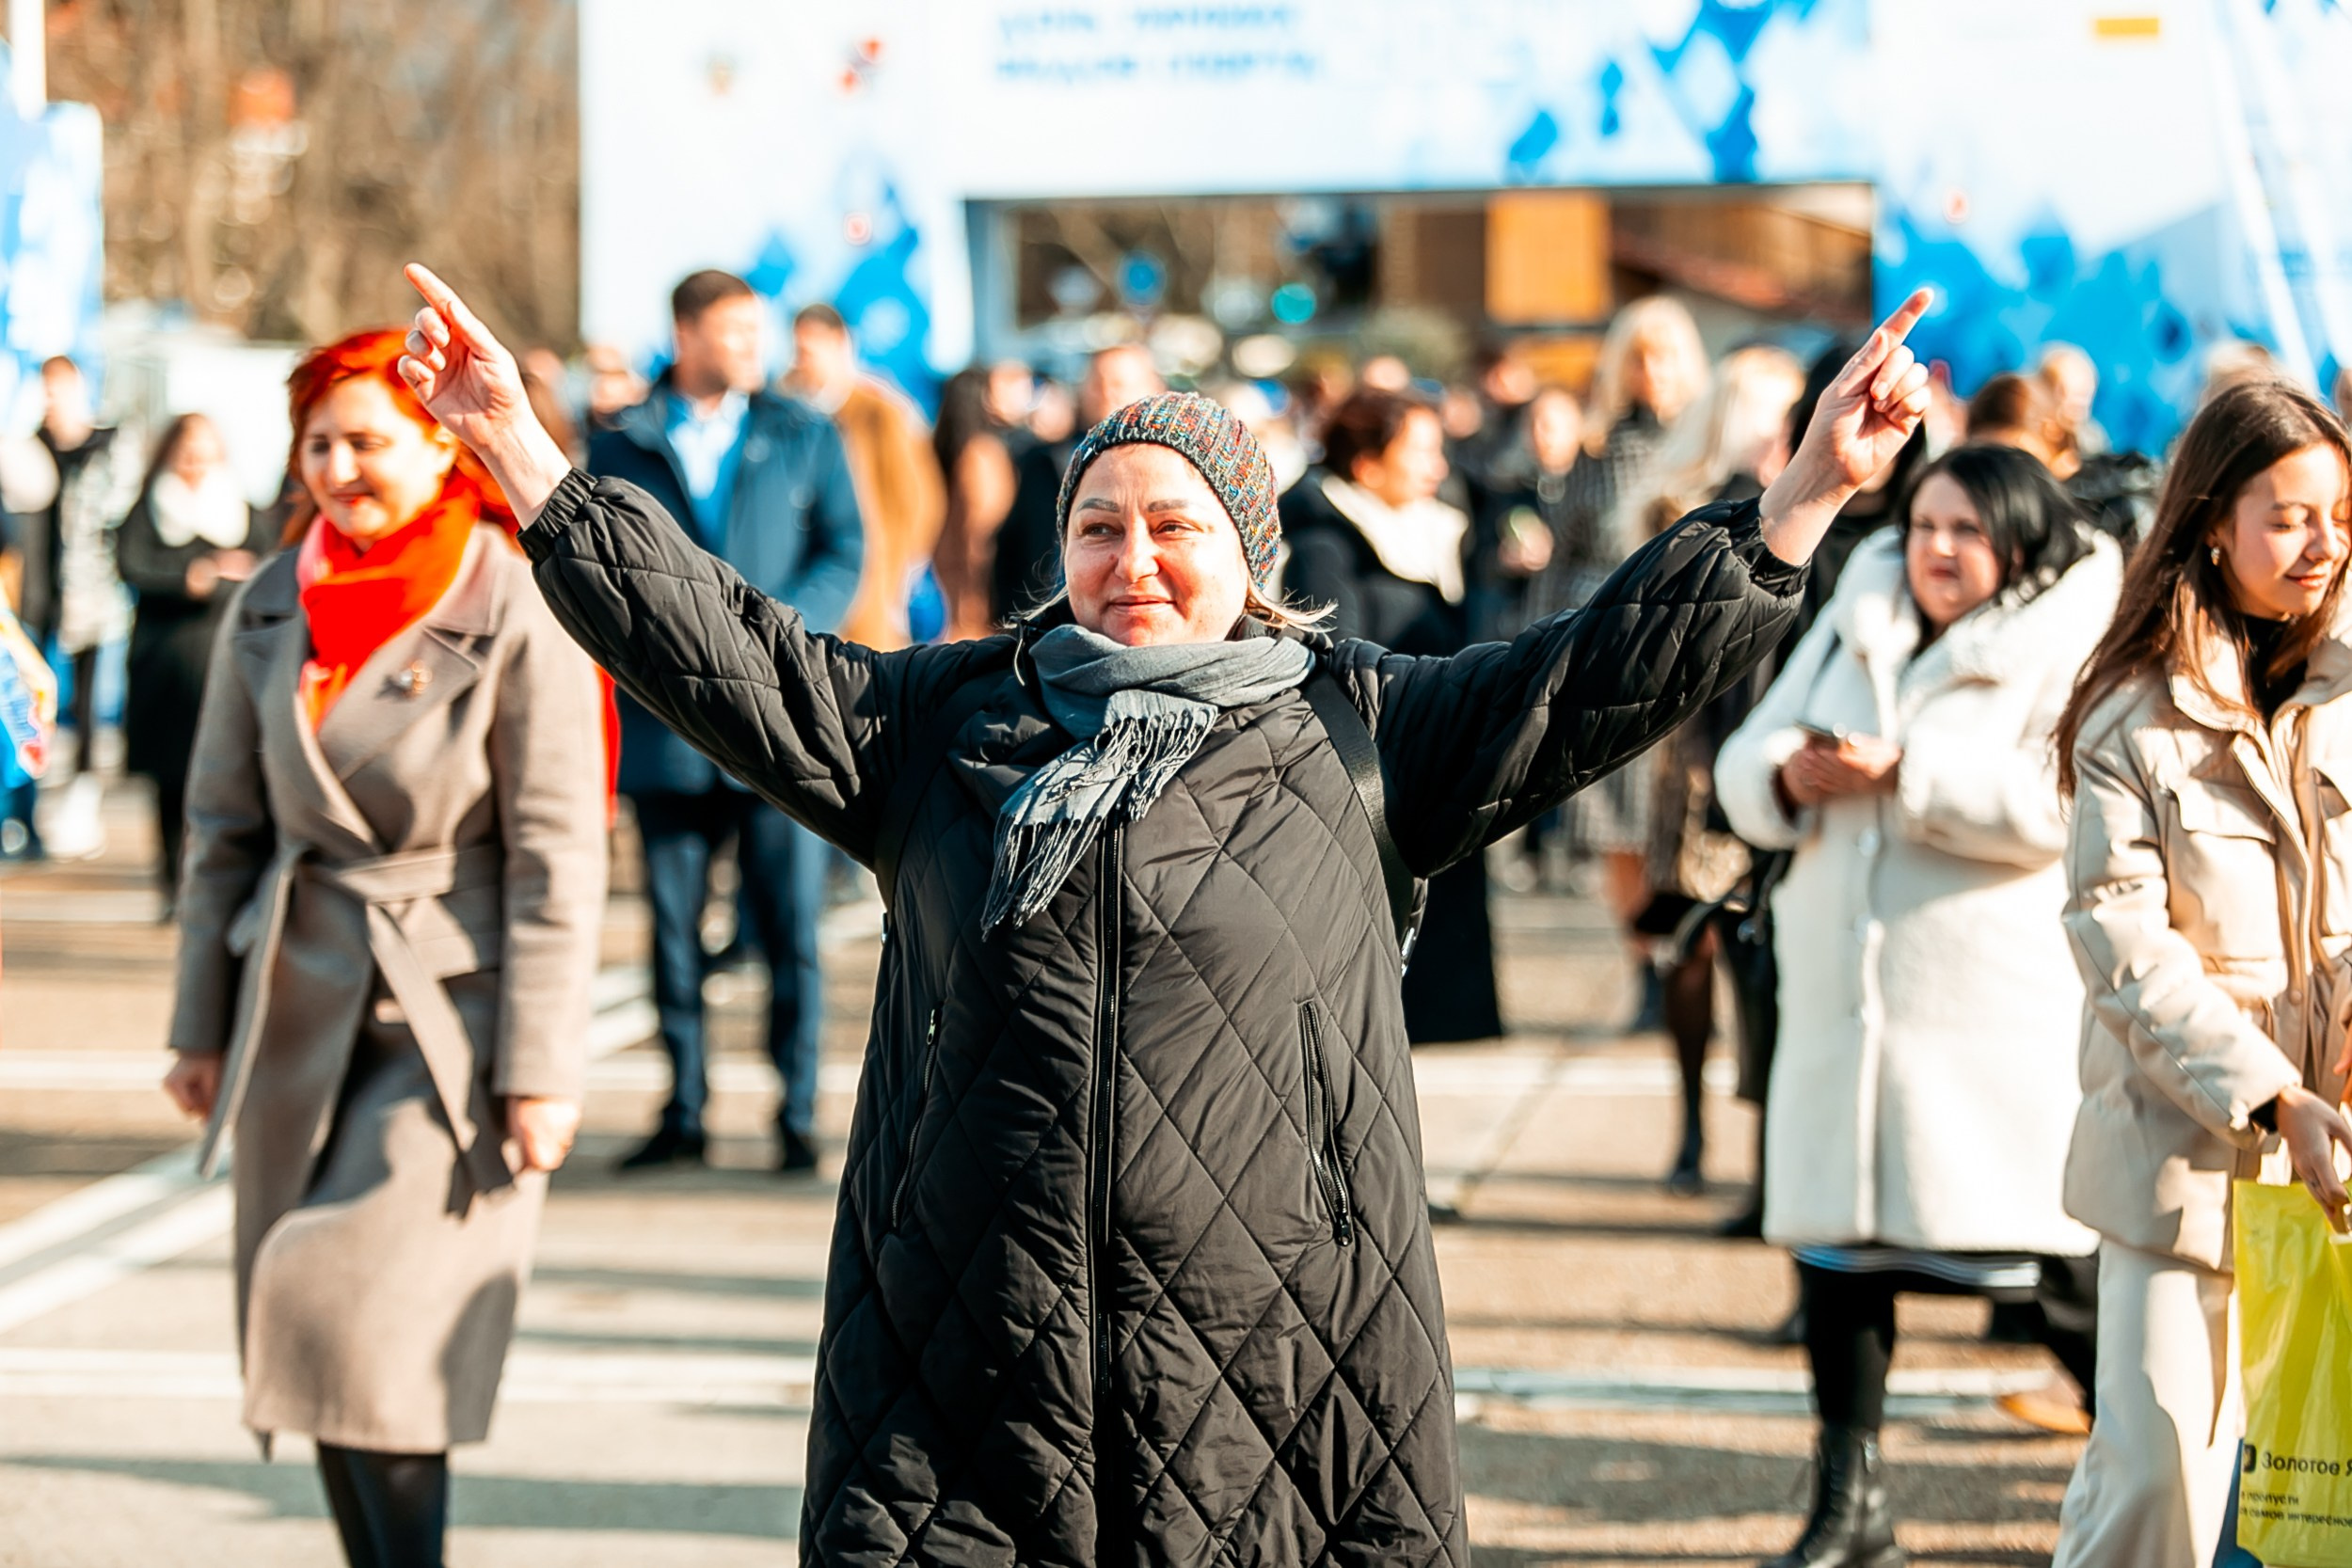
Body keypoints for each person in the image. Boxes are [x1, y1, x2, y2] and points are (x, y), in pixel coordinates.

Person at [396, 261, 1936, 1565]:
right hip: (966, 1360)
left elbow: (1596, 673)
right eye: (1101, 527)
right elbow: (721, 646)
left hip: (1286, 1349)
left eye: (1177, 525)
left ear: (1250, 559)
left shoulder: (1362, 726)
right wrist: (528, 456)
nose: (1135, 560)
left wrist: (1799, 500)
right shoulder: (941, 726)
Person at [157, 329, 607, 1568]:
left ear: (441, 444)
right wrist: (199, 1026)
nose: (341, 464)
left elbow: (557, 852)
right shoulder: (268, 603)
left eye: (370, 437)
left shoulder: (517, 600)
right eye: (321, 441)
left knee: (368, 1333)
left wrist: (544, 1068)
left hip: (450, 1025)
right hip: (294, 1008)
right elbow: (223, 830)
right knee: (314, 1347)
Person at [1717, 443, 2120, 1567]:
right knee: (1836, 1258)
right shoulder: (1861, 602)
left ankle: (2158, 1477)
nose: (1937, 548)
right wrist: (1785, 777)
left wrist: (1909, 776)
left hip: (1985, 1005)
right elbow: (1751, 751)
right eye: (1926, 523)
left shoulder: (2076, 630)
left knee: (2050, 1264)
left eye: (1967, 530)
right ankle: (1850, 1505)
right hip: (1847, 996)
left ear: (2021, 542)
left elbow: (2066, 797)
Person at [2049, 379, 2352, 1567]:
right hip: (2176, 1164)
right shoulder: (2129, 715)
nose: (2322, 542)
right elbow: (2123, 946)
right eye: (2287, 515)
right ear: (2210, 522)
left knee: (2313, 1513)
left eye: (2339, 512)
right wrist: (2281, 1098)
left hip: (2339, 1164)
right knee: (2155, 1484)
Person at [588, 269, 864, 1174]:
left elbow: (843, 550)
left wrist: (775, 636)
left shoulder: (802, 432)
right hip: (666, 724)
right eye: (733, 331)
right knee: (673, 931)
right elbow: (598, 564)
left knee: (791, 925)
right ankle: (686, 1109)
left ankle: (795, 1113)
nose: (754, 347)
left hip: (776, 720)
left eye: (759, 331)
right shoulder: (622, 439)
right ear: (685, 332)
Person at [1621, 344, 1805, 1193]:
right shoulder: (1682, 506)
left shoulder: (1810, 506)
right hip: (1694, 760)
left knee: (1763, 957)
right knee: (1687, 948)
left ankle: (1771, 1155)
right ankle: (1693, 1126)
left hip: (1767, 744)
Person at [1282, 388, 1501, 1044]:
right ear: (1368, 464)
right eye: (1422, 451)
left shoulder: (1426, 530)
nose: (1438, 468)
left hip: (1433, 768)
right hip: (1383, 783)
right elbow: (1337, 666)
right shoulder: (1325, 541)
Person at [1527, 294, 1713, 1028]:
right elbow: (1565, 551)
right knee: (1617, 826)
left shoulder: (1708, 447)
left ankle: (1691, 965)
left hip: (1690, 658)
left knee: (1685, 821)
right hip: (1609, 655)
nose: (1653, 370)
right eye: (1640, 355)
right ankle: (1647, 969)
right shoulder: (1599, 453)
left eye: (1665, 353)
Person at [113, 414, 268, 908]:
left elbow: (269, 563)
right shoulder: (148, 509)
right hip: (163, 663)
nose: (196, 460)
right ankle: (171, 881)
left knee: (229, 775)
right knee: (170, 778)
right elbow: (132, 565)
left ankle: (219, 879)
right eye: (188, 449)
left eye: (205, 449)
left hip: (227, 662)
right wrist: (190, 576)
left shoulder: (243, 511)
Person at [7, 356, 140, 859]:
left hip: (92, 600)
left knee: (83, 708)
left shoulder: (108, 446)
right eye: (45, 391)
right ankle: (22, 814)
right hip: (35, 599)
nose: (51, 402)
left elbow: (117, 513)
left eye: (59, 391)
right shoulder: (29, 450)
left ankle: (80, 805)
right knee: (28, 706)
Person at [787, 303, 946, 651]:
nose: (803, 361)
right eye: (798, 351)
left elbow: (917, 501)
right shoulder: (786, 411)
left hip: (869, 588)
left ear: (841, 345)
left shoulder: (881, 412)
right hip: (803, 590)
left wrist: (895, 580)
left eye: (810, 350)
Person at [990, 342, 1162, 620]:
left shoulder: (1176, 470)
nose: (1107, 393)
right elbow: (1011, 544)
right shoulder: (1044, 461)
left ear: (1155, 389)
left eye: (1119, 383)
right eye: (1097, 383)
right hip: (1049, 624)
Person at [930, 365, 1021, 641]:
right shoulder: (982, 454)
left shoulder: (946, 448)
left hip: (944, 576)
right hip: (975, 589)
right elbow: (980, 529)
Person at [1966, 372, 2075, 477]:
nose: (1999, 473)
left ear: (2052, 431)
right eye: (1984, 460)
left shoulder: (2081, 487)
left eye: (2012, 458)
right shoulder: (1964, 484)